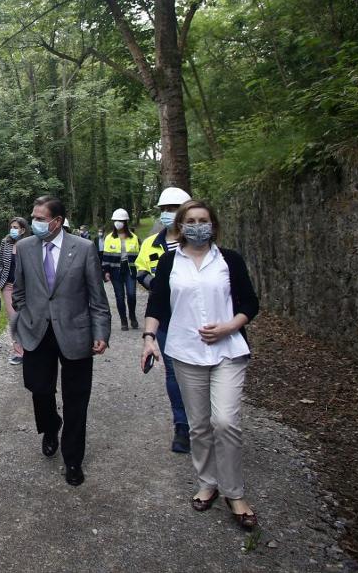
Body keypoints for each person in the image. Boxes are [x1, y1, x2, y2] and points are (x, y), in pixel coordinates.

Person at [140, 200, 260, 531]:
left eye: (203, 220)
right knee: (198, 425)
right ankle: (208, 482)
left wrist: (229, 327)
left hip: (228, 351)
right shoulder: (168, 262)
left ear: (213, 225)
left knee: (225, 421)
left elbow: (250, 302)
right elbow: (158, 303)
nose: (197, 226)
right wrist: (149, 337)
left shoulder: (230, 260)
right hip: (186, 351)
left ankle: (235, 493)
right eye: (190, 221)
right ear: (180, 226)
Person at [10, 195, 110, 486]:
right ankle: (51, 425)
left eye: (40, 218)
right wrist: (23, 320)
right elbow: (19, 290)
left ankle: (73, 459)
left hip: (76, 332)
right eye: (33, 217)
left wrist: (101, 332)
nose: (34, 222)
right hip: (36, 331)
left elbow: (97, 298)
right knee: (39, 389)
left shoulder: (84, 248)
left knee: (77, 398)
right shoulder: (25, 248)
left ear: (56, 221)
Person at [135, 186, 193, 453]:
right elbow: (140, 270)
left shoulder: (197, 242)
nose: (168, 214)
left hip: (196, 318)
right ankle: (182, 425)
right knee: (173, 372)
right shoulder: (150, 244)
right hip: (165, 318)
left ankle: (206, 422)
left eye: (173, 209)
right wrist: (156, 285)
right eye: (165, 210)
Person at [0, 217, 29, 365]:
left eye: (16, 227)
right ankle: (19, 352)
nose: (13, 230)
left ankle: (31, 347)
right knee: (14, 319)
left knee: (26, 318)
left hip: (25, 288)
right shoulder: (5, 243)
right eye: (11, 227)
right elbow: (0, 264)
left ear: (23, 230)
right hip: (7, 286)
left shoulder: (30, 244)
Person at [101, 208, 141, 330]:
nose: (118, 222)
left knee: (131, 294)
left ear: (125, 222)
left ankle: (132, 316)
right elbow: (106, 256)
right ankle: (124, 320)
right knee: (119, 296)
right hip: (115, 270)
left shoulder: (133, 237)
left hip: (130, 269)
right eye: (116, 220)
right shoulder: (109, 238)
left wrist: (140, 270)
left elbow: (138, 255)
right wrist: (105, 271)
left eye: (121, 220)